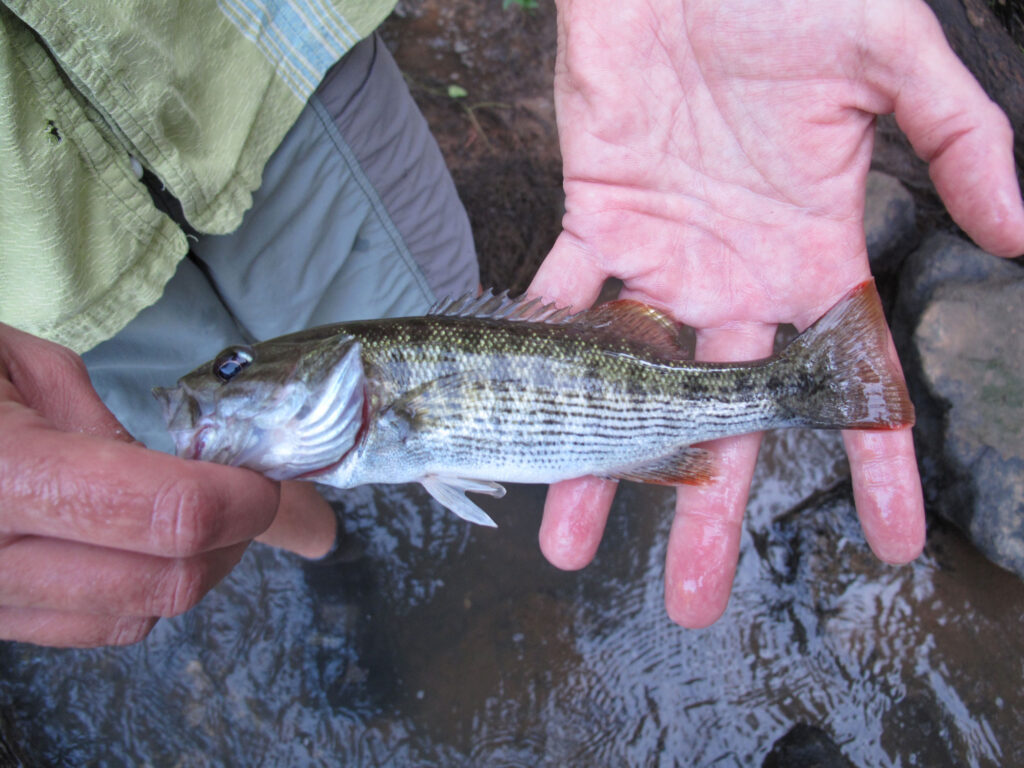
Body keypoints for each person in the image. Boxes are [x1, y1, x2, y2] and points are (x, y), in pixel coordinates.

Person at [1, 0, 1021, 648]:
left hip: (256, 63)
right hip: (37, 265)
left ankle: (330, 542)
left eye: (237, 377)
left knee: (393, 311)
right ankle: (325, 552)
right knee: (211, 484)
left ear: (326, 378)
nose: (214, 389)